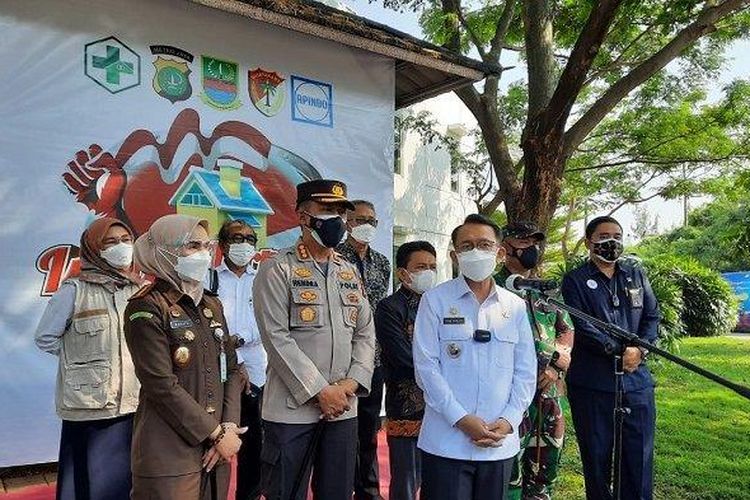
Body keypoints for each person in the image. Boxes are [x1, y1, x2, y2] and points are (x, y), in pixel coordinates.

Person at [253, 179, 376, 500]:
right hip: (292, 410)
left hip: (343, 410)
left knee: (336, 493)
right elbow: (276, 339)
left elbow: (365, 333)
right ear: (303, 217)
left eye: (340, 211)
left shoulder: (349, 271)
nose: (336, 218)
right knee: (286, 493)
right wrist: (320, 391)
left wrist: (349, 386)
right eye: (326, 210)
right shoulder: (277, 269)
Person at [413, 214, 537, 500]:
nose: (476, 251)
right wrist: (461, 418)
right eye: (467, 246)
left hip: (499, 442)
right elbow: (426, 368)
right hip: (446, 442)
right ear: (455, 256)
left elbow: (526, 370)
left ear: (500, 252)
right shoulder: (435, 301)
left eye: (484, 244)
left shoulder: (515, 306)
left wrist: (509, 419)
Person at [124, 214, 244, 500]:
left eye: (207, 245)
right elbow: (160, 385)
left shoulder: (211, 304)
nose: (204, 253)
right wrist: (214, 433)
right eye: (192, 245)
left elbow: (232, 369)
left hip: (218, 451)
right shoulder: (147, 307)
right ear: (163, 251)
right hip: (170, 455)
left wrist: (228, 428)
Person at [35, 217, 143, 500]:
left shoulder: (138, 289)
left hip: (132, 403)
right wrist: (81, 357)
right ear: (95, 248)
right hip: (90, 405)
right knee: (87, 481)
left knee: (124, 484)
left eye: (126, 240)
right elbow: (45, 337)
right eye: (111, 242)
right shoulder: (74, 290)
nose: (121, 247)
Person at [561, 216, 659, 500]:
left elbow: (652, 317)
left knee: (639, 456)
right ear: (589, 242)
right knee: (597, 457)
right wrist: (617, 350)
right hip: (593, 384)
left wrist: (639, 350)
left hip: (636, 381)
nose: (611, 242)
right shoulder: (575, 281)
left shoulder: (636, 275)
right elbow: (581, 325)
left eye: (617, 235)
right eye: (604, 236)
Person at [495, 222, 574, 500]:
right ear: (505, 248)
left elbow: (566, 329)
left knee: (546, 463)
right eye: (524, 242)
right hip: (511, 395)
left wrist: (557, 364)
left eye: (535, 243)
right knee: (509, 468)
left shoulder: (546, 289)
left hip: (549, 392)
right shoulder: (492, 287)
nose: (532, 249)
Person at [375, 241, 438, 500]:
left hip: (442, 407)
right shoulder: (389, 308)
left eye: (433, 267)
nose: (429, 272)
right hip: (406, 404)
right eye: (421, 267)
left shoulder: (442, 304)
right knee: (406, 479)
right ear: (403, 273)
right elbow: (402, 356)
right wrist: (443, 373)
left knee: (437, 476)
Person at [337, 199, 391, 500]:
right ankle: (341, 487)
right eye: (361, 220)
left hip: (374, 357)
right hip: (341, 357)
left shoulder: (382, 263)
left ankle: (368, 490)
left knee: (369, 428)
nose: (367, 226)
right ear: (347, 222)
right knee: (343, 430)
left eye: (372, 220)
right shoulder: (334, 258)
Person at [210, 220, 266, 500]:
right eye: (237, 238)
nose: (244, 244)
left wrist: (240, 343)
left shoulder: (263, 280)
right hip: (218, 374)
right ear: (222, 245)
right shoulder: (210, 280)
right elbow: (205, 324)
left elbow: (269, 324)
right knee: (217, 441)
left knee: (254, 445)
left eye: (250, 239)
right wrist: (235, 362)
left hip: (257, 375)